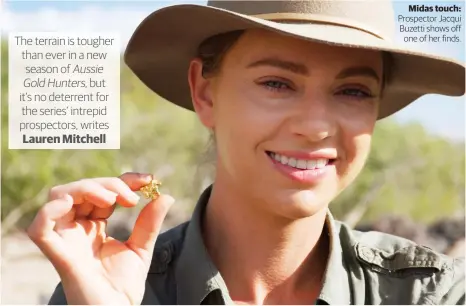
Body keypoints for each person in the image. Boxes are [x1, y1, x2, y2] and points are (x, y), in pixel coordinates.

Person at [28, 0, 465, 305]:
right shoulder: (105, 287)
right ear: (204, 92)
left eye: (353, 90)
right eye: (277, 83)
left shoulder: (429, 295)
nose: (315, 126)